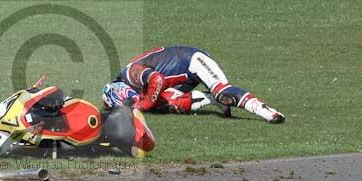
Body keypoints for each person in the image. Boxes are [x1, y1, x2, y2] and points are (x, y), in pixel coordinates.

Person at [103, 45, 285, 123]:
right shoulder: (131, 83)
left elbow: (157, 79)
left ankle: (267, 112)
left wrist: (142, 105)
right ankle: (211, 99)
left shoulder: (131, 73)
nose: (130, 105)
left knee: (224, 93)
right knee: (166, 104)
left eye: (126, 102)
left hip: (195, 60)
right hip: (182, 79)